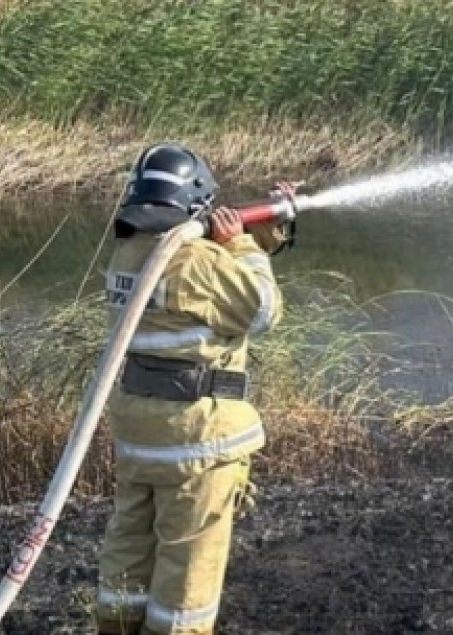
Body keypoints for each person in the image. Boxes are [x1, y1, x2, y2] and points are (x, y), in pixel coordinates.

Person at [95, 142, 295, 635]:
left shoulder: (128, 253)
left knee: (130, 542)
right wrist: (244, 245)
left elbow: (207, 290)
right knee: (188, 562)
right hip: (196, 440)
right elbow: (262, 308)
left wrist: (262, 237)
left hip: (140, 434)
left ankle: (116, 626)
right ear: (196, 201)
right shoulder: (199, 261)